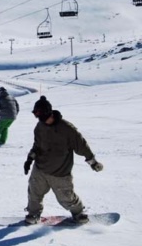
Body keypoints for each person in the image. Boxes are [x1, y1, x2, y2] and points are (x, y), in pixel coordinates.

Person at [22, 96, 103, 225]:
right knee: (34, 193)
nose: (38, 118)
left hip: (60, 172)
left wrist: (93, 162)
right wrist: (29, 159)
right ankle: (33, 214)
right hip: (40, 168)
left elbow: (81, 146)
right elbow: (37, 145)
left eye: (39, 114)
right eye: (36, 114)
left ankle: (78, 213)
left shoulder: (67, 129)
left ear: (47, 112)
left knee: (66, 198)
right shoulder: (40, 126)